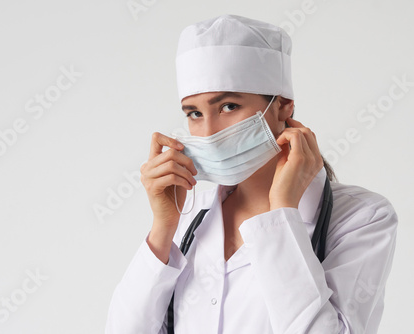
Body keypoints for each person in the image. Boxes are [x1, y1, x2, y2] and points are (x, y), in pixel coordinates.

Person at [105, 14, 397, 333]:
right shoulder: (188, 218)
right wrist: (162, 228)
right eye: (194, 113)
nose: (209, 132)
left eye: (229, 106)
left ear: (283, 106)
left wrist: (282, 210)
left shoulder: (363, 218)